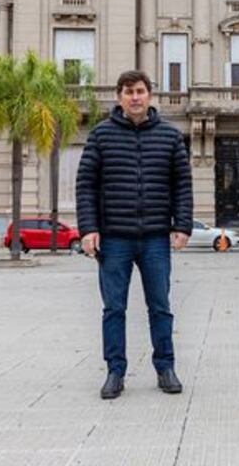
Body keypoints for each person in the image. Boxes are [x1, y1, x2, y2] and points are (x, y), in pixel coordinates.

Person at [75, 70, 193, 400]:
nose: (135, 97)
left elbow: (182, 185)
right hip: (114, 239)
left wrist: (182, 225)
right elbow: (85, 186)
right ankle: (115, 371)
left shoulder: (170, 136)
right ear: (119, 97)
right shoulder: (100, 136)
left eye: (140, 91)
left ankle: (165, 367)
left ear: (149, 95)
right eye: (128, 92)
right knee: (114, 308)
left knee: (161, 306)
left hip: (156, 237)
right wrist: (89, 229)